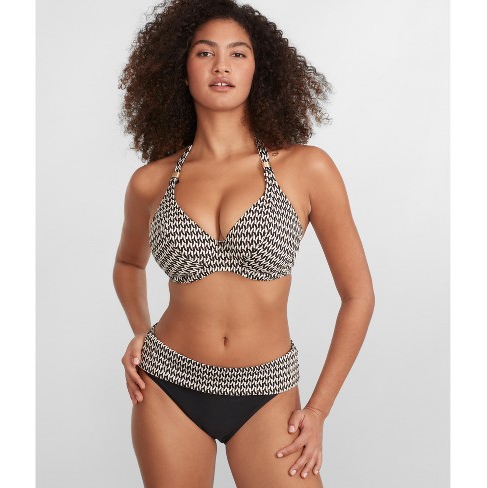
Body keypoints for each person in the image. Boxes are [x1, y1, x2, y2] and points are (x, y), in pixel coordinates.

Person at [113, 0, 375, 486]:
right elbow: (128, 264)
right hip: (167, 384)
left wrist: (317, 410)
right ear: (181, 69)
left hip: (268, 393)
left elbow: (358, 296)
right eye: (204, 53)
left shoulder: (306, 168)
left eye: (238, 53)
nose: (221, 66)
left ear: (260, 70)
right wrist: (140, 329)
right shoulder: (151, 181)